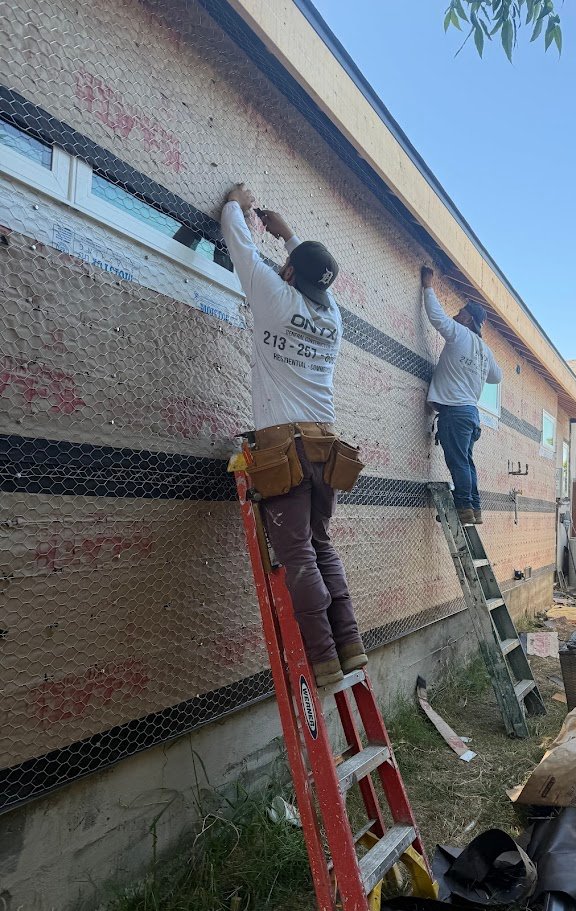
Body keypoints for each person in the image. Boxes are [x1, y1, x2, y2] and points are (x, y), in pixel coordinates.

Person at [221, 184, 366, 687]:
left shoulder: (275, 298)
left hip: (284, 449)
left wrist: (236, 204)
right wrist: (290, 238)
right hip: (326, 447)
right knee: (321, 543)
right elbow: (308, 273)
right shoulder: (333, 319)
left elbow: (237, 244)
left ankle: (322, 658)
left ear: (288, 276)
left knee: (298, 553)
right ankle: (349, 644)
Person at [420, 266, 502, 525]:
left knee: (458, 463)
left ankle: (464, 508)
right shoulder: (484, 350)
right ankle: (473, 508)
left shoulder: (459, 333)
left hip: (455, 413)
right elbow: (497, 376)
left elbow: (436, 317)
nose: (456, 315)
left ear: (467, 320)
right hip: (470, 414)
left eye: (460, 313)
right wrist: (477, 366)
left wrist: (428, 286)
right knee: (466, 462)